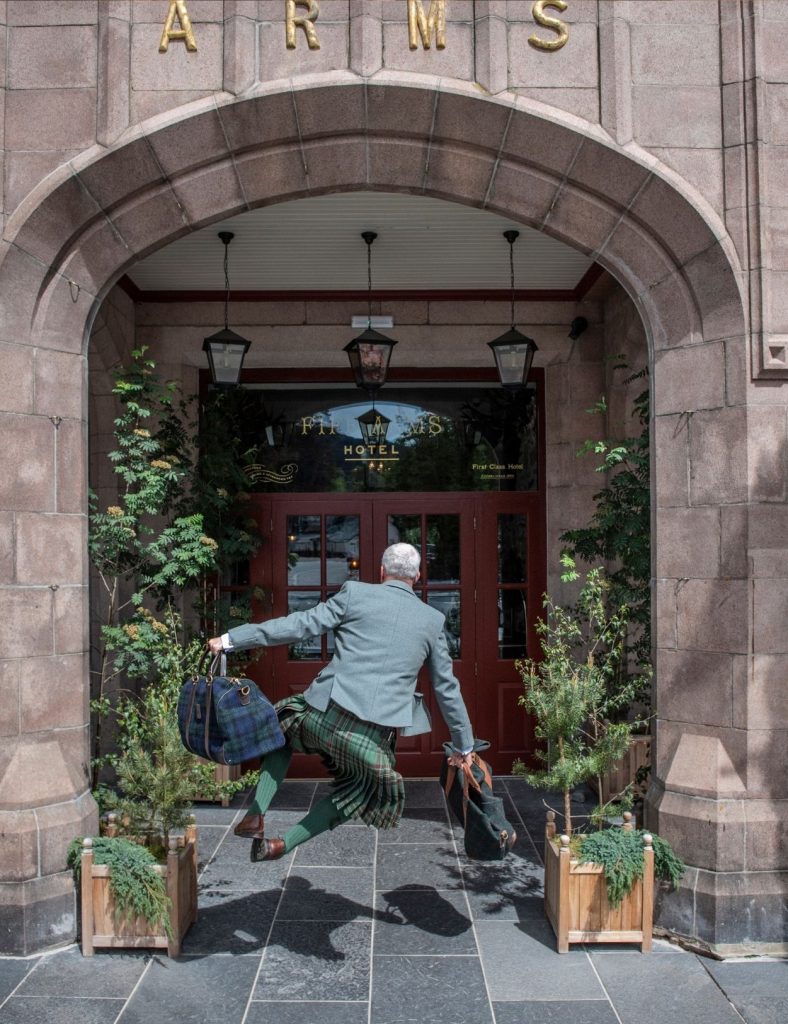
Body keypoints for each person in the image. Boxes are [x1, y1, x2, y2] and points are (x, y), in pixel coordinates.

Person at [207, 542, 474, 861]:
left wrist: (230, 640)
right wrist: (465, 745)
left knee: (280, 731)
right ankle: (282, 845)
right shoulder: (431, 621)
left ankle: (256, 812)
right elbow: (447, 689)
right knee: (357, 794)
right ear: (418, 575)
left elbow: (297, 626)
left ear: (381, 571)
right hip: (371, 737)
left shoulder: (354, 594)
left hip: (322, 712)